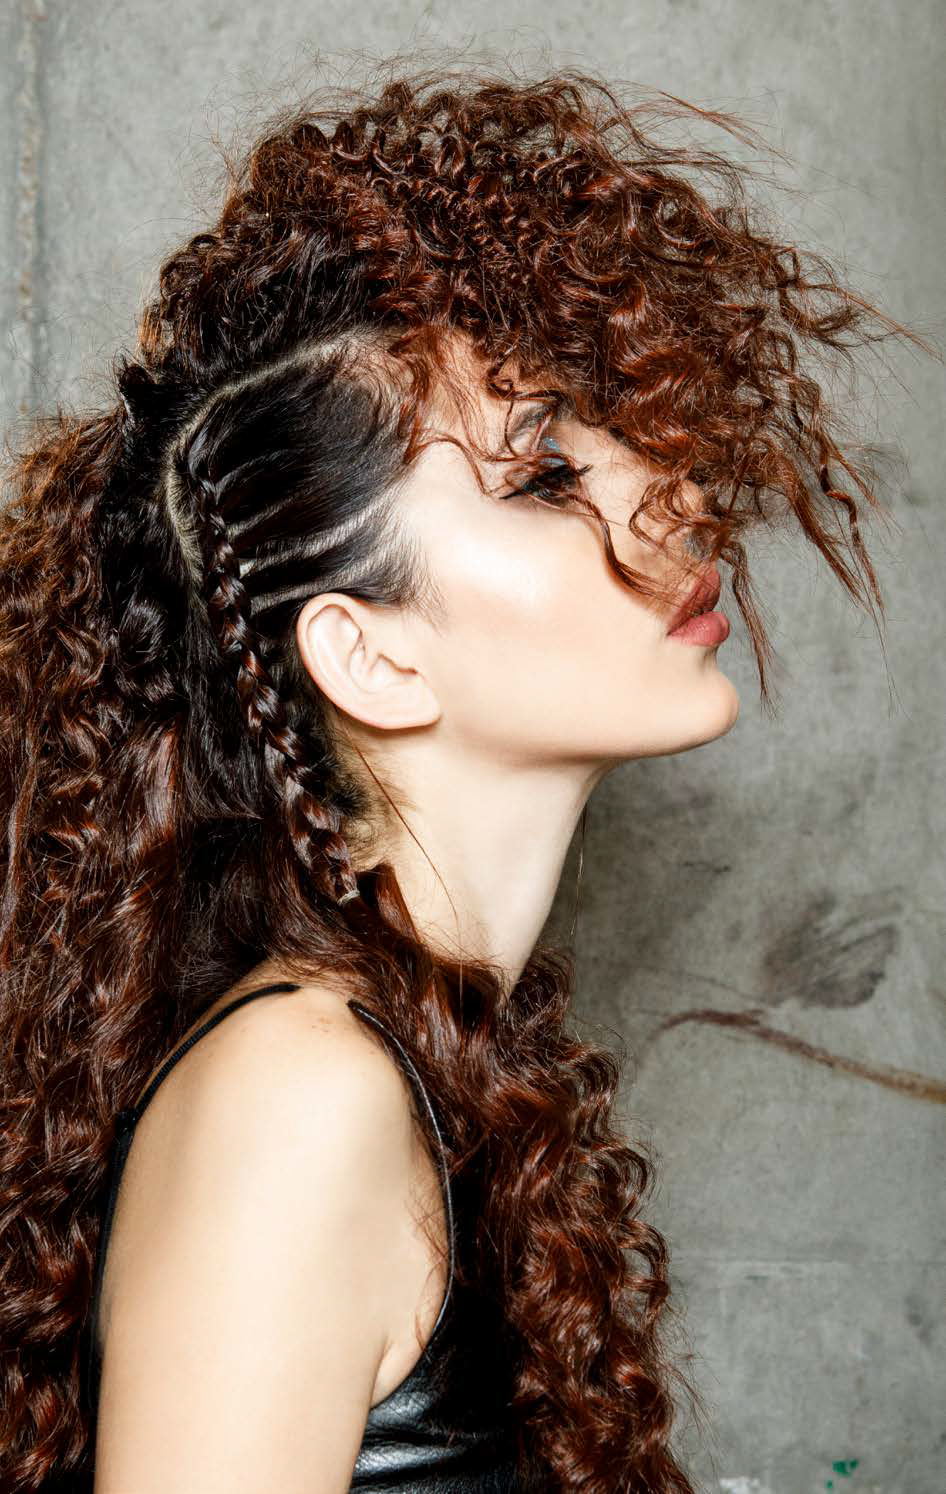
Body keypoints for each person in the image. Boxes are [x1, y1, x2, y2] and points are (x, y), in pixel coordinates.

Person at [0, 62, 917, 1494]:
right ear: (369, 657)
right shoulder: (298, 1101)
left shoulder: (423, 1053)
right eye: (543, 477)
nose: (672, 496)